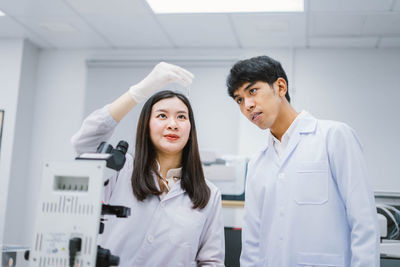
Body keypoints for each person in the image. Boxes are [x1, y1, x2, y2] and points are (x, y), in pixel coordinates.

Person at [226, 55, 379, 267]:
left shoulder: (334, 137)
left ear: (280, 87)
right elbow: (252, 241)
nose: (247, 105)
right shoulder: (257, 164)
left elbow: (364, 223)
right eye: (239, 100)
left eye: (252, 91)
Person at [71, 62, 225, 267]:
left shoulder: (208, 194)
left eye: (181, 117)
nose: (172, 124)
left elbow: (211, 262)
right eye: (162, 115)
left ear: (190, 130)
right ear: (146, 126)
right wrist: (139, 90)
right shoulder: (120, 169)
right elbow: (84, 142)